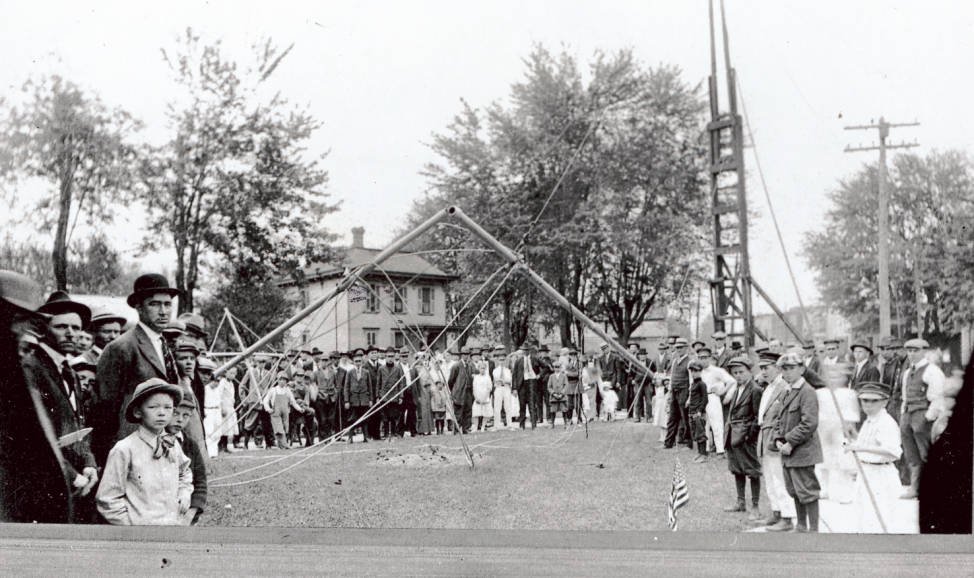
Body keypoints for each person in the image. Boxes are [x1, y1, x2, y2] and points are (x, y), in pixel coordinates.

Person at [24, 291, 100, 522]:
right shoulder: (31, 368)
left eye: (76, 328)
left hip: (76, 481)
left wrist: (89, 465)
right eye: (61, 326)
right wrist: (70, 474)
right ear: (44, 328)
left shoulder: (72, 374)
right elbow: (32, 435)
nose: (71, 333)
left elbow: (79, 425)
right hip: (44, 480)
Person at [93, 274, 182, 465]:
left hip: (162, 442)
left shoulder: (163, 343)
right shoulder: (122, 347)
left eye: (167, 305)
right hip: (132, 447)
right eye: (155, 304)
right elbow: (105, 409)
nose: (163, 311)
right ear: (139, 307)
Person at [96, 378, 192, 525]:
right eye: (153, 407)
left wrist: (184, 494)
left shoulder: (172, 443)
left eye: (168, 408)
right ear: (138, 412)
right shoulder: (124, 449)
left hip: (173, 525)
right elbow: (107, 498)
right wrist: (130, 525)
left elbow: (184, 472)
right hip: (141, 532)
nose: (161, 413)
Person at [844, 382, 904, 533]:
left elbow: (893, 452)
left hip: (880, 475)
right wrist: (853, 438)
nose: (868, 405)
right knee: (862, 517)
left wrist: (859, 447)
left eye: (874, 401)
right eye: (865, 401)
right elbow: (868, 444)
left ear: (885, 402)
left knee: (879, 522)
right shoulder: (870, 420)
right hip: (865, 471)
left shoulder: (886, 422)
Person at [774, 353, 824, 533]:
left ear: (802, 369)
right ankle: (801, 525)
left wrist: (790, 442)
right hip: (789, 451)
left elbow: (809, 423)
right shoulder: (788, 390)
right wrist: (779, 439)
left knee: (807, 490)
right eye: (784, 369)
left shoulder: (807, 391)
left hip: (803, 450)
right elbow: (780, 419)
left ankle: (813, 530)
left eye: (791, 368)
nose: (787, 372)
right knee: (794, 489)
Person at [898, 338, 946, 500]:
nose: (911, 354)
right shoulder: (906, 373)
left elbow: (938, 397)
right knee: (911, 454)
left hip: (922, 415)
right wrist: (903, 415)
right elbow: (905, 396)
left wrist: (928, 417)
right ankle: (914, 488)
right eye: (909, 351)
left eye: (915, 351)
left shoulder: (932, 371)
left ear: (924, 351)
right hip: (908, 415)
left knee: (926, 452)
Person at [755, 354, 796, 531]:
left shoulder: (784, 388)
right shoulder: (768, 388)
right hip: (765, 437)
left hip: (776, 438)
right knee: (770, 479)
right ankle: (776, 513)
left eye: (767, 368)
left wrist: (780, 438)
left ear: (777, 368)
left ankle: (787, 518)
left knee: (780, 479)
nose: (763, 372)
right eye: (761, 368)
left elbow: (785, 417)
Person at [723, 356, 762, 521]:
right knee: (737, 469)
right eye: (735, 373)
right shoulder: (736, 388)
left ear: (749, 372)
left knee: (752, 471)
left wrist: (748, 436)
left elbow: (757, 417)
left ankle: (755, 506)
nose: (738, 375)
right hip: (733, 435)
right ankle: (740, 502)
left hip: (746, 437)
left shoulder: (755, 390)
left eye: (741, 372)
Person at [815, 361, 860, 503]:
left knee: (842, 461)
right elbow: (817, 411)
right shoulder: (820, 393)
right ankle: (823, 488)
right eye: (830, 376)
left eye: (837, 376)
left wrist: (850, 426)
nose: (834, 379)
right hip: (823, 429)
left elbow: (852, 412)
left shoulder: (849, 393)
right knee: (823, 460)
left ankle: (845, 492)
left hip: (840, 430)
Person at [167, 392, 207, 525]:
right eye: (175, 413)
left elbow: (200, 482)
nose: (180, 420)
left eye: (186, 415)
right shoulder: (156, 442)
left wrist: (191, 513)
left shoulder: (190, 445)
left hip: (185, 514)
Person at [698, 347, 735, 457]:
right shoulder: (698, 371)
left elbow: (731, 381)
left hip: (712, 398)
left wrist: (723, 392)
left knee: (717, 424)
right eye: (700, 358)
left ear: (709, 358)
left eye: (705, 357)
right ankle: (705, 449)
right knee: (703, 425)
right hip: (701, 400)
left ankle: (720, 450)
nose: (703, 360)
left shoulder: (717, 370)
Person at [664, 338, 693, 449]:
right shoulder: (675, 361)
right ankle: (668, 443)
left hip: (684, 392)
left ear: (686, 348)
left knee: (685, 418)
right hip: (675, 392)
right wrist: (670, 392)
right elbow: (671, 378)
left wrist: (689, 397)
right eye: (677, 348)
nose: (679, 349)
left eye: (681, 347)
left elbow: (691, 380)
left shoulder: (690, 361)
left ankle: (689, 443)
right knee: (672, 418)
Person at [263, 374, 304, 450]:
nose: (282, 382)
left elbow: (293, 402)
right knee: (279, 428)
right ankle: (285, 445)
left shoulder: (287, 390)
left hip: (285, 412)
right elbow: (265, 400)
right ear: (277, 380)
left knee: (285, 428)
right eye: (280, 379)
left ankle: (281, 445)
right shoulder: (273, 390)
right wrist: (268, 409)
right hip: (275, 412)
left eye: (284, 380)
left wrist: (299, 409)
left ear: (286, 381)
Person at [343, 350, 374, 443]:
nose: (358, 363)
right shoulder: (350, 372)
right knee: (352, 419)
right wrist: (346, 401)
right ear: (353, 362)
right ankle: (350, 438)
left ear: (362, 362)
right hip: (353, 400)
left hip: (364, 399)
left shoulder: (366, 372)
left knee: (364, 418)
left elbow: (370, 387)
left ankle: (366, 437)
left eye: (359, 361)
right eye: (356, 361)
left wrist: (371, 399)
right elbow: (346, 387)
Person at [513, 343, 543, 429]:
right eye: (524, 350)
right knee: (522, 405)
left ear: (530, 350)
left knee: (532, 404)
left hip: (532, 383)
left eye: (527, 350)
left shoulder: (535, 359)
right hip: (522, 384)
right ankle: (522, 425)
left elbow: (546, 367)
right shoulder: (519, 361)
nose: (525, 352)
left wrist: (539, 375)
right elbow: (514, 375)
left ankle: (534, 424)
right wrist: (514, 388)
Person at [686, 360, 709, 463]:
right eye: (692, 371)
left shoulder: (702, 384)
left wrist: (699, 411)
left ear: (700, 371)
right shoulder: (693, 384)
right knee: (695, 434)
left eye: (696, 371)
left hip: (698, 413)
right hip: (692, 411)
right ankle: (699, 453)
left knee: (700, 434)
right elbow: (692, 396)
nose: (694, 373)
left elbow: (705, 399)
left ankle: (703, 455)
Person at [200, 358, 223, 458]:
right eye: (215, 381)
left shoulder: (218, 389)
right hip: (208, 410)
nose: (216, 383)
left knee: (217, 432)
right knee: (209, 432)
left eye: (218, 381)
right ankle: (210, 452)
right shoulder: (205, 389)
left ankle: (215, 451)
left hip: (217, 411)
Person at [491, 347, 515, 431]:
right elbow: (494, 380)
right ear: (498, 361)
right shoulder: (495, 371)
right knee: (497, 407)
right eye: (500, 360)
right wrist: (498, 381)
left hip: (506, 388)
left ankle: (509, 424)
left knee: (508, 407)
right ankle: (496, 425)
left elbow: (509, 380)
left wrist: (504, 381)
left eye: (503, 360)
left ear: (505, 361)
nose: (502, 362)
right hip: (498, 389)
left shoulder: (508, 370)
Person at [630, 348, 655, 424]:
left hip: (647, 384)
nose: (642, 357)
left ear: (646, 355)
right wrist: (633, 380)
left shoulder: (650, 362)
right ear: (639, 356)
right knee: (637, 400)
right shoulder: (635, 363)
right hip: (638, 383)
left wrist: (652, 379)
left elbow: (654, 372)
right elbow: (631, 374)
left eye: (644, 355)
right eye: (641, 355)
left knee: (649, 401)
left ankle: (649, 417)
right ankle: (637, 417)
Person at [471, 360, 493, 432]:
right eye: (481, 368)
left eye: (484, 368)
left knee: (485, 413)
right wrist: (476, 397)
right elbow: (474, 388)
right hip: (478, 397)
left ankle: (483, 427)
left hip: (485, 397)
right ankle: (476, 427)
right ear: (478, 369)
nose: (482, 370)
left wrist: (485, 397)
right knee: (476, 413)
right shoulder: (476, 377)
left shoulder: (487, 377)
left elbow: (489, 388)